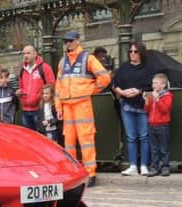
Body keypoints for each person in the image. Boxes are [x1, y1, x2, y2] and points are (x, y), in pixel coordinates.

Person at [55, 31, 111, 187]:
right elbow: (58, 86)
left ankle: (90, 173)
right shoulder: (62, 61)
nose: (67, 44)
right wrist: (58, 106)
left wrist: (90, 91)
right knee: (69, 142)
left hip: (82, 105)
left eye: (70, 41)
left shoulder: (88, 58)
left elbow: (105, 78)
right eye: (65, 41)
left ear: (77, 41)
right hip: (67, 106)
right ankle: (73, 173)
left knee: (86, 139)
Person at [112, 42, 155, 177]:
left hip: (143, 105)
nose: (132, 54)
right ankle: (132, 165)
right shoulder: (124, 68)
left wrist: (139, 90)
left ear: (141, 53)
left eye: (135, 51)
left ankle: (143, 165)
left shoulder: (149, 68)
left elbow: (153, 86)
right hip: (127, 105)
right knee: (131, 137)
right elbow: (114, 84)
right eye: (130, 51)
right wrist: (123, 93)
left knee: (144, 136)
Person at [17, 45, 55, 130]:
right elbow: (21, 87)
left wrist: (40, 98)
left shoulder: (44, 67)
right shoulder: (22, 70)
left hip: (40, 109)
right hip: (25, 110)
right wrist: (20, 92)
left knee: (41, 136)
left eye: (28, 53)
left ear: (35, 54)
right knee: (29, 137)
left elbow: (52, 86)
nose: (25, 56)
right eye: (24, 53)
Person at [145, 73, 173, 177]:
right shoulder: (152, 95)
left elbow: (165, 110)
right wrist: (147, 101)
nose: (153, 85)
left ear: (163, 85)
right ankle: (154, 168)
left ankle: (165, 167)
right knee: (154, 149)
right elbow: (147, 111)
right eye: (153, 83)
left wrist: (157, 99)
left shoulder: (167, 96)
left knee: (164, 148)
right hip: (151, 125)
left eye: (156, 83)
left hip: (162, 125)